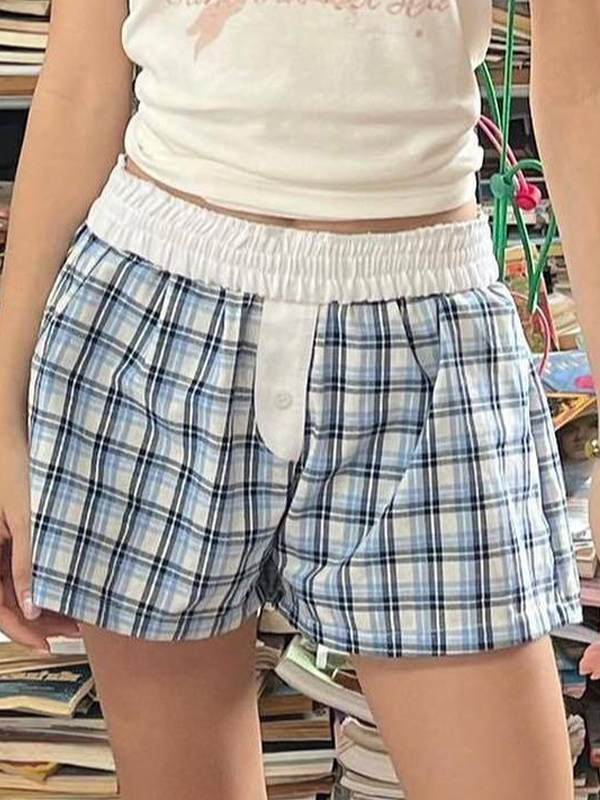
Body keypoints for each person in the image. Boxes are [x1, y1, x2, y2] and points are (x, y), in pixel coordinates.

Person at [0, 1, 597, 798]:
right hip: (150, 311)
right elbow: (78, 85)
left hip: (427, 329)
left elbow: (584, 94)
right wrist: (3, 417)